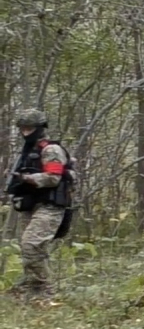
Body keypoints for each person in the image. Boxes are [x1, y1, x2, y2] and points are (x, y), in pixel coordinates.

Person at [5, 109, 73, 299]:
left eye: (29, 128)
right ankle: (33, 289)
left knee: (31, 245)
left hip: (50, 205)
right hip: (30, 204)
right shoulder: (26, 152)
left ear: (40, 128)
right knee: (32, 249)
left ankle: (46, 291)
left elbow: (53, 178)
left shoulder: (51, 150)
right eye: (23, 128)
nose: (25, 132)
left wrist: (27, 178)